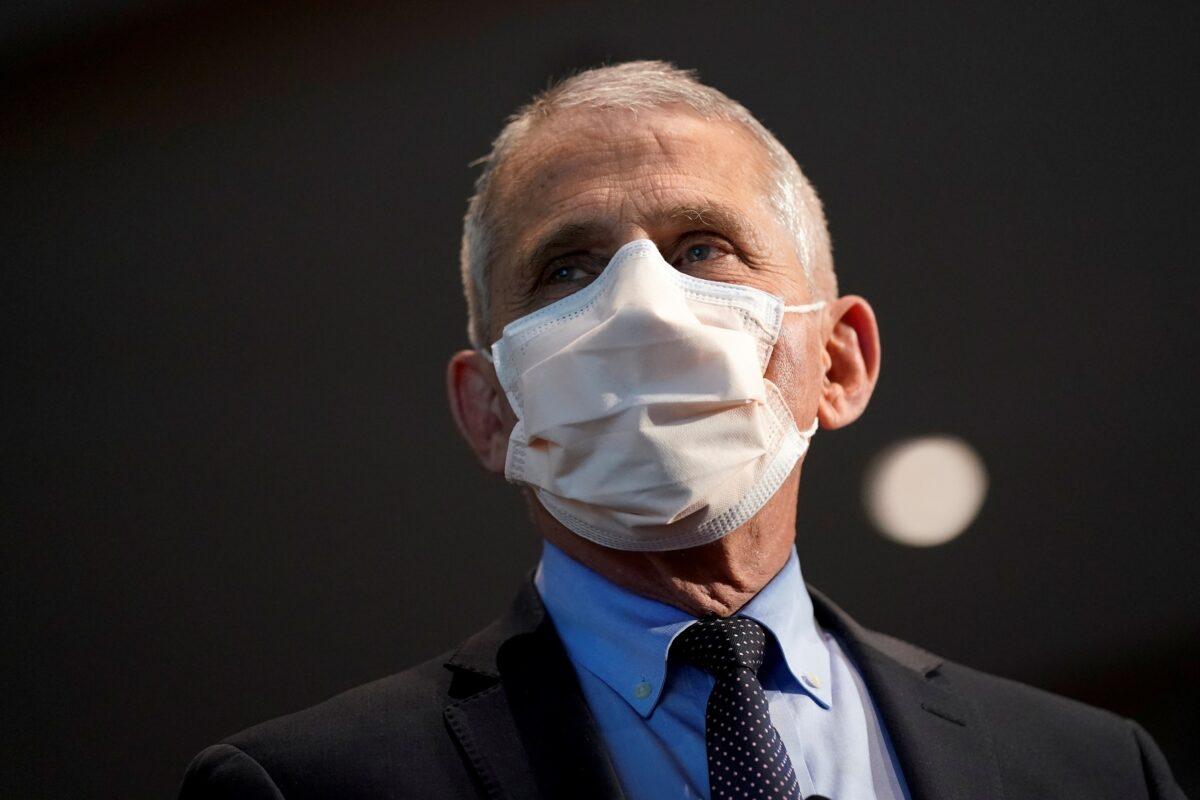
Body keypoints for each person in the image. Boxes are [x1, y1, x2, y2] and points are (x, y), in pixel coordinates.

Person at [178, 61, 1186, 800]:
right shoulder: (306, 788)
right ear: (489, 408)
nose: (642, 305)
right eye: (567, 266)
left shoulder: (1090, 771)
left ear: (839, 361)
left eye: (701, 246)